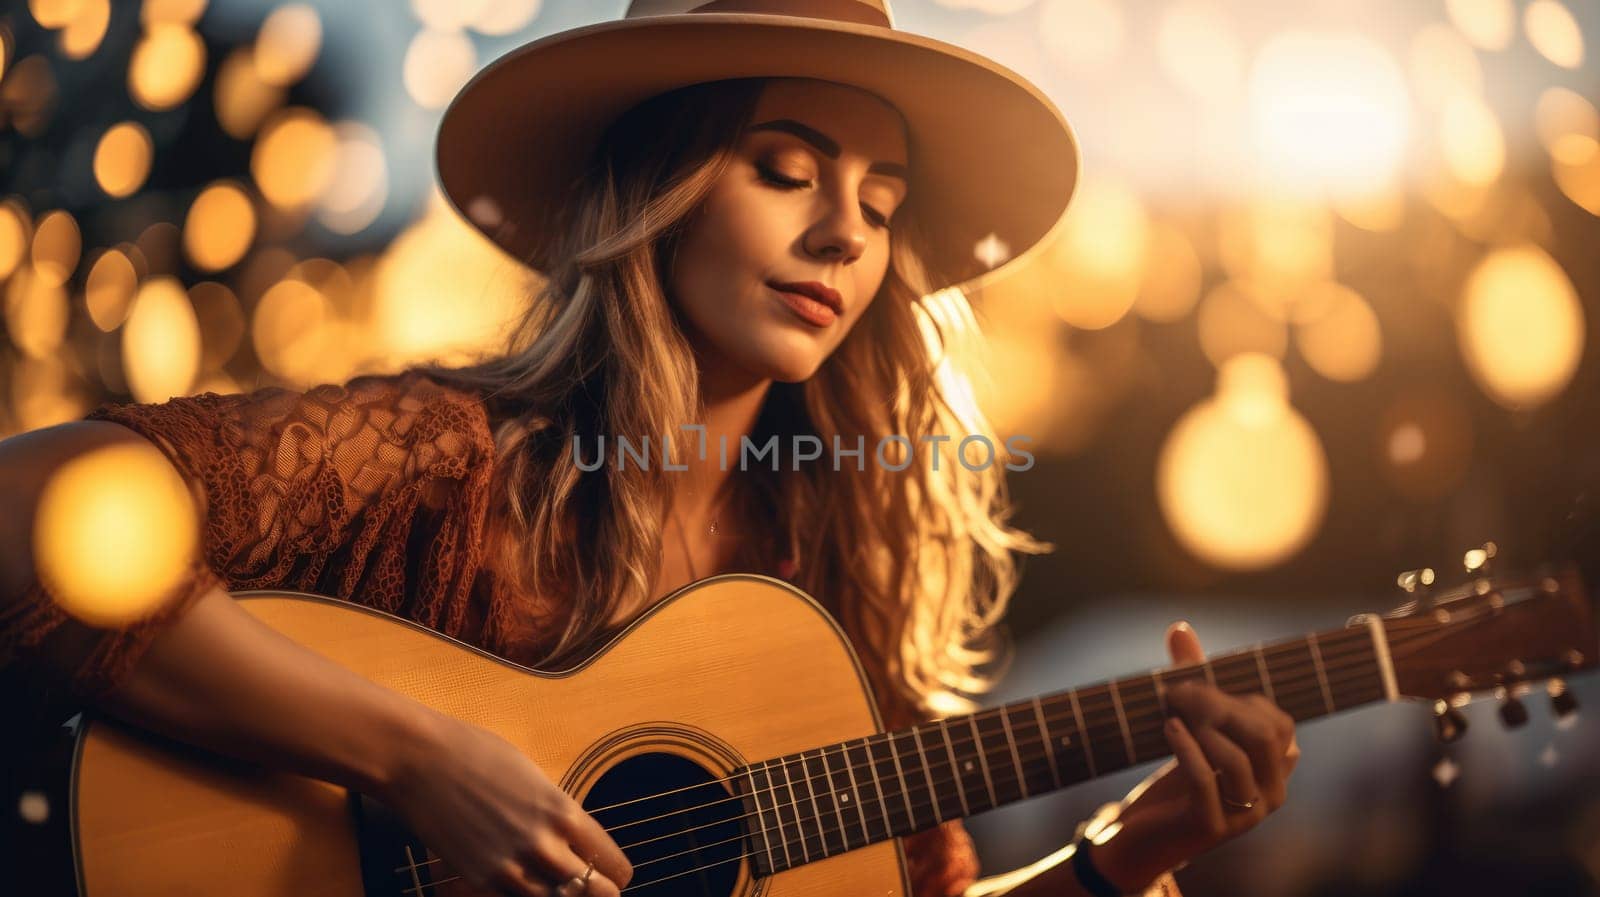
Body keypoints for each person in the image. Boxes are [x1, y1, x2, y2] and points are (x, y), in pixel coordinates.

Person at [0, 2, 1298, 896]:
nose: (847, 234)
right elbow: (27, 508)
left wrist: (1127, 849)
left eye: (882, 205)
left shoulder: (829, 573)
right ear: (658, 192)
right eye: (787, 169)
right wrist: (413, 756)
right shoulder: (439, 457)